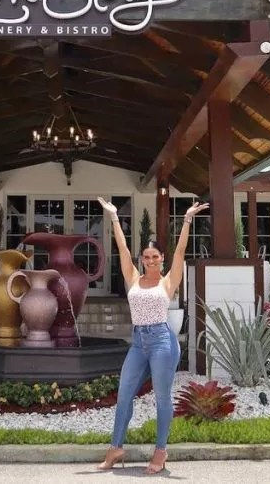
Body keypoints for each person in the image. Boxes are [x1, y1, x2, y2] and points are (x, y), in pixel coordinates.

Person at [95, 196, 209, 475]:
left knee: (162, 397)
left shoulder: (168, 281)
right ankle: (115, 447)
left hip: (162, 341)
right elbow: (122, 248)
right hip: (138, 342)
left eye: (155, 257)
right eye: (146, 257)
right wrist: (113, 216)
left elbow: (181, 252)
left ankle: (160, 451)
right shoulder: (134, 278)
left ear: (161, 259)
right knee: (124, 394)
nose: (150, 261)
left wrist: (187, 219)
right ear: (142, 260)